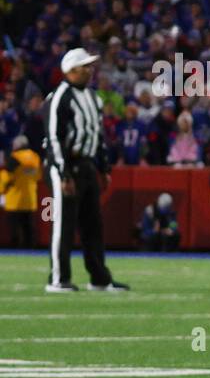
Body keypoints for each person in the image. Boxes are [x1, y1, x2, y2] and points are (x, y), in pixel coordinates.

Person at [44, 48, 129, 293]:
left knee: (93, 224)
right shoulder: (60, 96)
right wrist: (62, 173)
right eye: (85, 66)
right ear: (70, 70)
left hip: (88, 165)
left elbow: (98, 135)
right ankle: (58, 278)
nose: (90, 70)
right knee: (63, 224)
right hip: (67, 165)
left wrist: (103, 168)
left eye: (91, 65)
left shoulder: (93, 97)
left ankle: (99, 278)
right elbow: (54, 139)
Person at [2, 135, 41, 248]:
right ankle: (31, 250)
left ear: (18, 145)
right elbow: (38, 177)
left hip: (15, 199)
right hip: (30, 199)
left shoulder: (14, 158)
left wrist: (2, 190)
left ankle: (15, 250)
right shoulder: (35, 157)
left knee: (14, 229)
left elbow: (7, 178)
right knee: (28, 228)